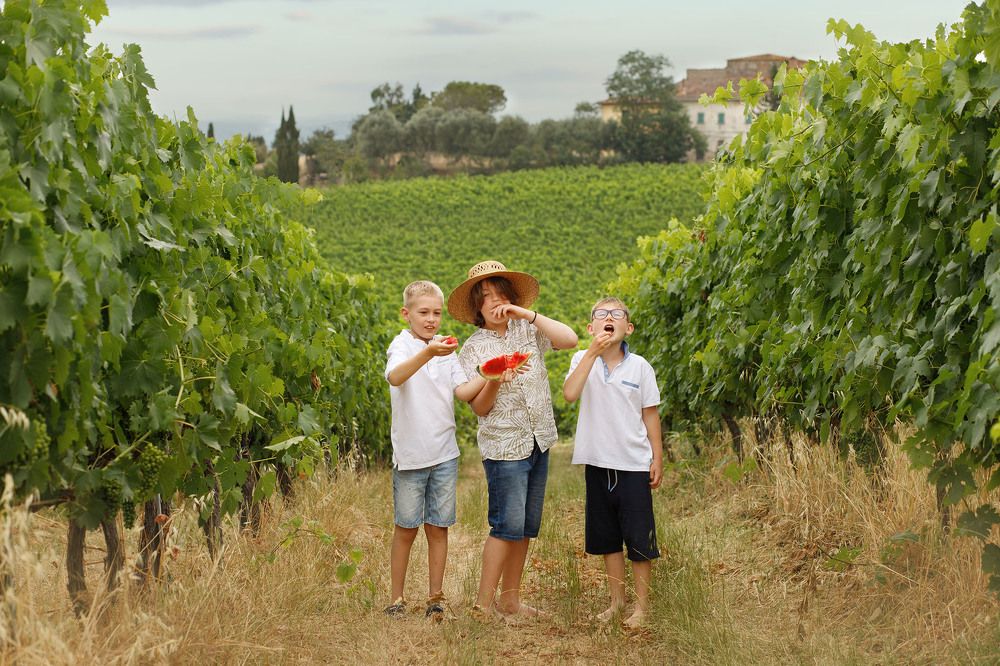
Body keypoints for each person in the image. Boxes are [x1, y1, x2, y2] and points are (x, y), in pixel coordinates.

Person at [447, 260, 578, 619]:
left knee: (525, 528)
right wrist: (493, 379)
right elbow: (479, 409)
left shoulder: (528, 330)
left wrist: (527, 314)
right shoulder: (473, 349)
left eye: (501, 294)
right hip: (505, 448)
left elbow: (570, 339)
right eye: (486, 296)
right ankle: (482, 606)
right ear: (477, 307)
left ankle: (511, 601)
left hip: (540, 440)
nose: (495, 302)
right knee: (505, 526)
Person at [383, 280, 487, 621]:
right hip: (411, 456)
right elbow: (395, 378)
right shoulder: (401, 345)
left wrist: (491, 375)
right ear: (407, 313)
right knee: (406, 527)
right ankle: (397, 599)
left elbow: (462, 391)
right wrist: (427, 352)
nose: (431, 319)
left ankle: (435, 599)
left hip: (445, 453)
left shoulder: (447, 351)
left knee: (438, 527)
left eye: (437, 313)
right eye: (423, 312)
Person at [562, 297, 663, 629]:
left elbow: (650, 415)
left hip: (633, 463)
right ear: (591, 328)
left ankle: (643, 607)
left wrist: (657, 457)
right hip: (597, 463)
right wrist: (591, 353)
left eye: (616, 315)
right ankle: (617, 602)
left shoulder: (641, 367)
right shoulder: (582, 359)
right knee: (608, 538)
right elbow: (570, 394)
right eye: (601, 315)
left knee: (638, 537)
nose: (609, 318)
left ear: (627, 327)